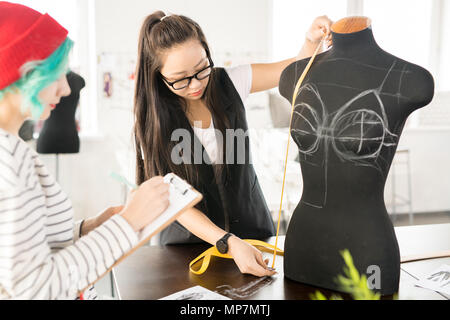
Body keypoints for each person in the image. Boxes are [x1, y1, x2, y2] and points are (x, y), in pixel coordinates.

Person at [133, 10, 332, 277]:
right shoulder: (151, 122)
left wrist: (311, 41)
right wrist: (227, 242)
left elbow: (297, 69)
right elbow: (174, 202)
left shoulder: (231, 81)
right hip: (188, 250)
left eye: (202, 68)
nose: (195, 84)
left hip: (252, 236)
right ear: (158, 76)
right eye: (180, 79)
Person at [0, 2, 169, 299]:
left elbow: (22, 250)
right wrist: (128, 223)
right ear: (23, 72)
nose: (66, 89)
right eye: (58, 74)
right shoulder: (9, 158)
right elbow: (35, 288)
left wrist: (88, 229)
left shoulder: (12, 149)